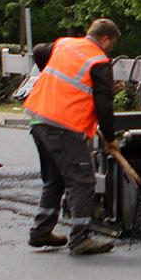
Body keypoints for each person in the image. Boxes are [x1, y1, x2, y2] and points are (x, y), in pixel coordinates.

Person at [23, 18, 120, 255]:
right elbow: (104, 105)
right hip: (63, 125)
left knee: (56, 178)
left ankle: (40, 231)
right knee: (83, 179)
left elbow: (37, 51)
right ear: (106, 39)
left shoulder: (64, 44)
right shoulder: (99, 61)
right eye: (112, 44)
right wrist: (110, 137)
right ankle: (80, 239)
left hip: (39, 118)